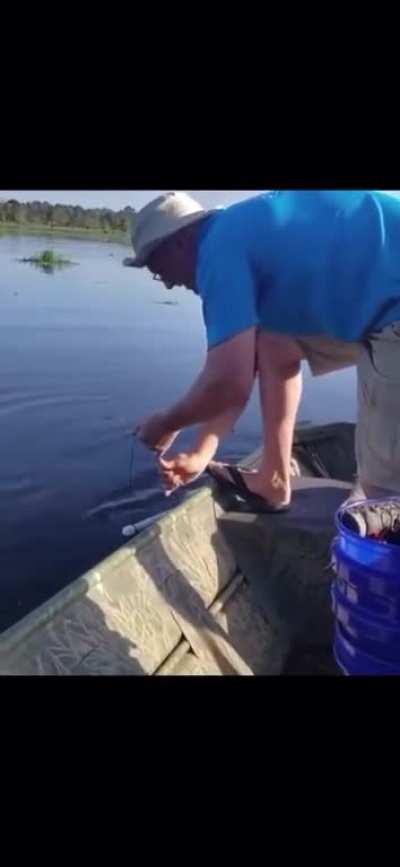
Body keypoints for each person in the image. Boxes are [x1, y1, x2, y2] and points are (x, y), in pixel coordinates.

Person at [128, 190, 400, 511]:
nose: (167, 284)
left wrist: (165, 424)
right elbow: (241, 370)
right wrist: (202, 452)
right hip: (377, 300)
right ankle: (275, 478)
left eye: (158, 268)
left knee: (382, 496)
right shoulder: (236, 233)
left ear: (178, 243)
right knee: (274, 344)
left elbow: (227, 382)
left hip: (392, 310)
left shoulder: (216, 250)